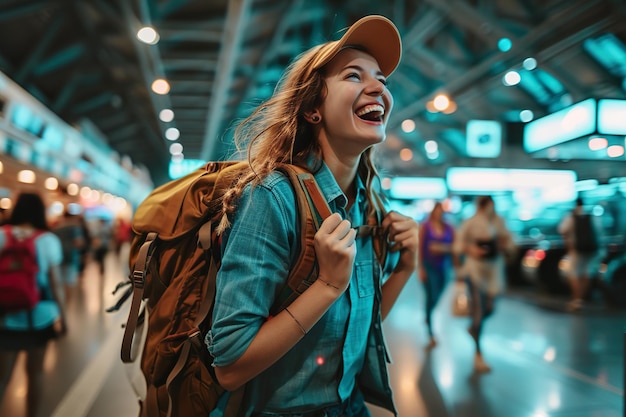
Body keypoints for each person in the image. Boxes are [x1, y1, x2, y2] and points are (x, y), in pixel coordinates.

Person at [206, 15, 419, 416]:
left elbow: (358, 325)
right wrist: (326, 285)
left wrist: (405, 269)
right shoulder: (272, 197)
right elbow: (230, 367)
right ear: (312, 110)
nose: (377, 87)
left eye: (381, 80)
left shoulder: (367, 203)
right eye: (353, 76)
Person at [0, 193, 67, 417]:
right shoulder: (48, 240)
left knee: (2, 377)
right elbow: (56, 284)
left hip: (4, 315)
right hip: (41, 315)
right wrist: (63, 318)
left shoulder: (1, 235)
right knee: (35, 373)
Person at [452, 195, 515, 373]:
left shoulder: (498, 222)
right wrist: (471, 250)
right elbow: (459, 245)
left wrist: (503, 246)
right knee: (479, 310)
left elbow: (509, 241)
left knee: (490, 308)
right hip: (475, 270)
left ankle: (473, 327)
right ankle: (478, 353)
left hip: (493, 271)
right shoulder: (470, 222)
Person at [418, 201, 455, 349]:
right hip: (429, 266)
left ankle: (428, 315)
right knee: (431, 296)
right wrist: (420, 268)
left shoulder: (448, 228)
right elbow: (421, 248)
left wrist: (443, 249)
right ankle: (430, 331)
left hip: (444, 267)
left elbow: (454, 247)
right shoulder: (426, 227)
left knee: (438, 296)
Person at [557, 197, 602, 312]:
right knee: (587, 273)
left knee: (574, 274)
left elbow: (562, 230)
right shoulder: (592, 216)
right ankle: (581, 299)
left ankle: (577, 300)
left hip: (576, 250)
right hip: (592, 250)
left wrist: (567, 244)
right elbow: (599, 232)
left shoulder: (571, 217)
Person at [52, 209, 86, 303]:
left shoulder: (57, 228)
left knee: (59, 283)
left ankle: (60, 303)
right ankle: (66, 305)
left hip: (57, 257)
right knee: (69, 283)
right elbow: (78, 242)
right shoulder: (74, 228)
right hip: (70, 257)